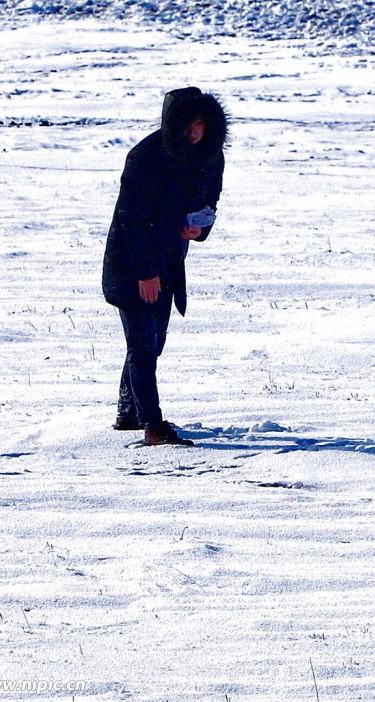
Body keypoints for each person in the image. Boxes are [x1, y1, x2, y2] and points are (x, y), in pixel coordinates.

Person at [102, 87, 227, 446]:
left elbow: (210, 201)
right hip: (132, 264)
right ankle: (152, 426)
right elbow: (132, 218)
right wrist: (145, 272)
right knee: (143, 344)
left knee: (152, 343)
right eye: (186, 124)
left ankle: (130, 412)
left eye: (199, 124)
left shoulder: (209, 157)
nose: (193, 132)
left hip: (170, 261)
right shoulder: (145, 157)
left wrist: (200, 228)